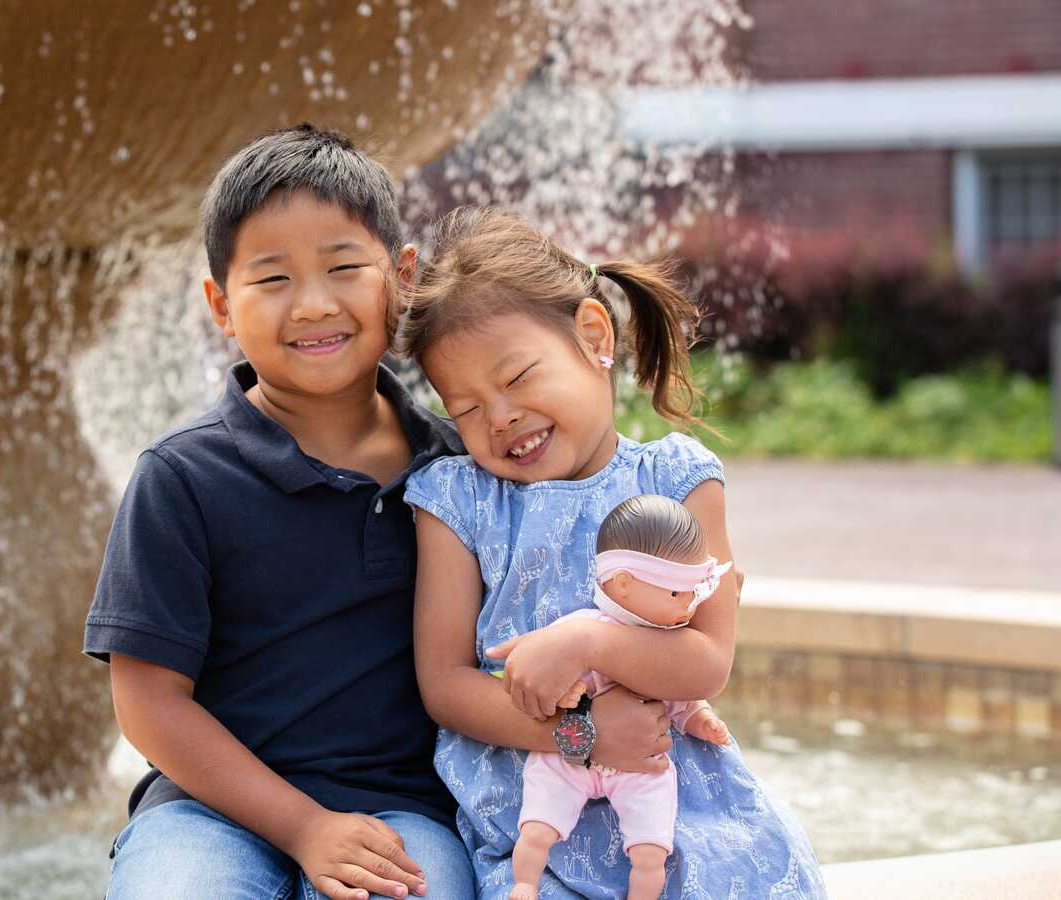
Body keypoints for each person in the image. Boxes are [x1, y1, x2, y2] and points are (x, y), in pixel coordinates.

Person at [82, 126, 676, 900]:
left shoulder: (462, 473)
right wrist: (303, 826)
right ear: (220, 306)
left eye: (342, 268)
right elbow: (149, 704)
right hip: (206, 811)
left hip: (407, 812)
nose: (315, 304)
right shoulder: (182, 476)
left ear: (399, 279)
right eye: (272, 280)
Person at [398, 206, 825, 899]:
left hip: (678, 802)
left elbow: (707, 661)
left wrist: (590, 639)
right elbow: (444, 684)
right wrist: (583, 736)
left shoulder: (680, 481)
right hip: (539, 824)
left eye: (517, 377)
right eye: (466, 408)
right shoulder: (457, 504)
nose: (498, 416)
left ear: (593, 335)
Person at [505, 494, 735, 900]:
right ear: (625, 584)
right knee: (538, 824)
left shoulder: (674, 646)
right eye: (675, 594)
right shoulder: (578, 628)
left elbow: (684, 699)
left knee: (651, 847)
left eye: (692, 594)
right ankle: (525, 882)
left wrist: (700, 719)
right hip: (569, 756)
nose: (688, 608)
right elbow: (545, 679)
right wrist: (566, 692)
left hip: (641, 765)